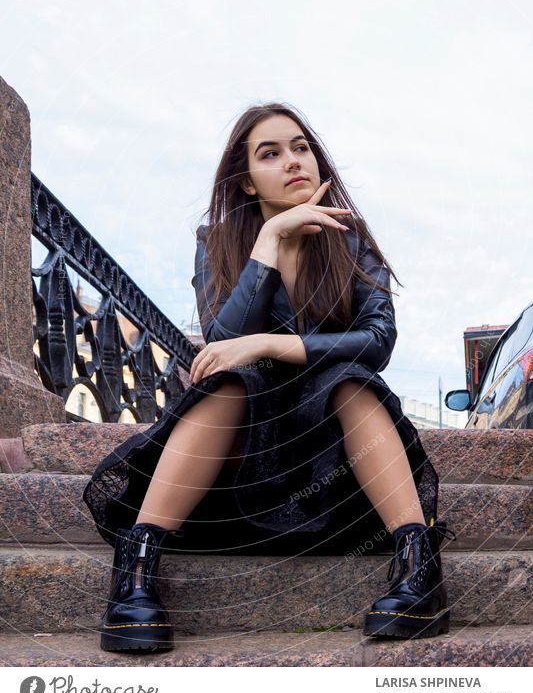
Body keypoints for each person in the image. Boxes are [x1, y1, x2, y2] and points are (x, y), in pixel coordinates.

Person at [83, 101, 456, 653]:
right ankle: (137, 568)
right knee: (233, 382)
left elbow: (378, 340)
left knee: (349, 380)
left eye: (301, 146)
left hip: (335, 470)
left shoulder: (352, 240)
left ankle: (416, 563)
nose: (292, 160)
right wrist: (270, 242)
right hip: (236, 469)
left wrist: (270, 343)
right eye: (271, 153)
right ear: (246, 181)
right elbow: (222, 342)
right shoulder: (218, 242)